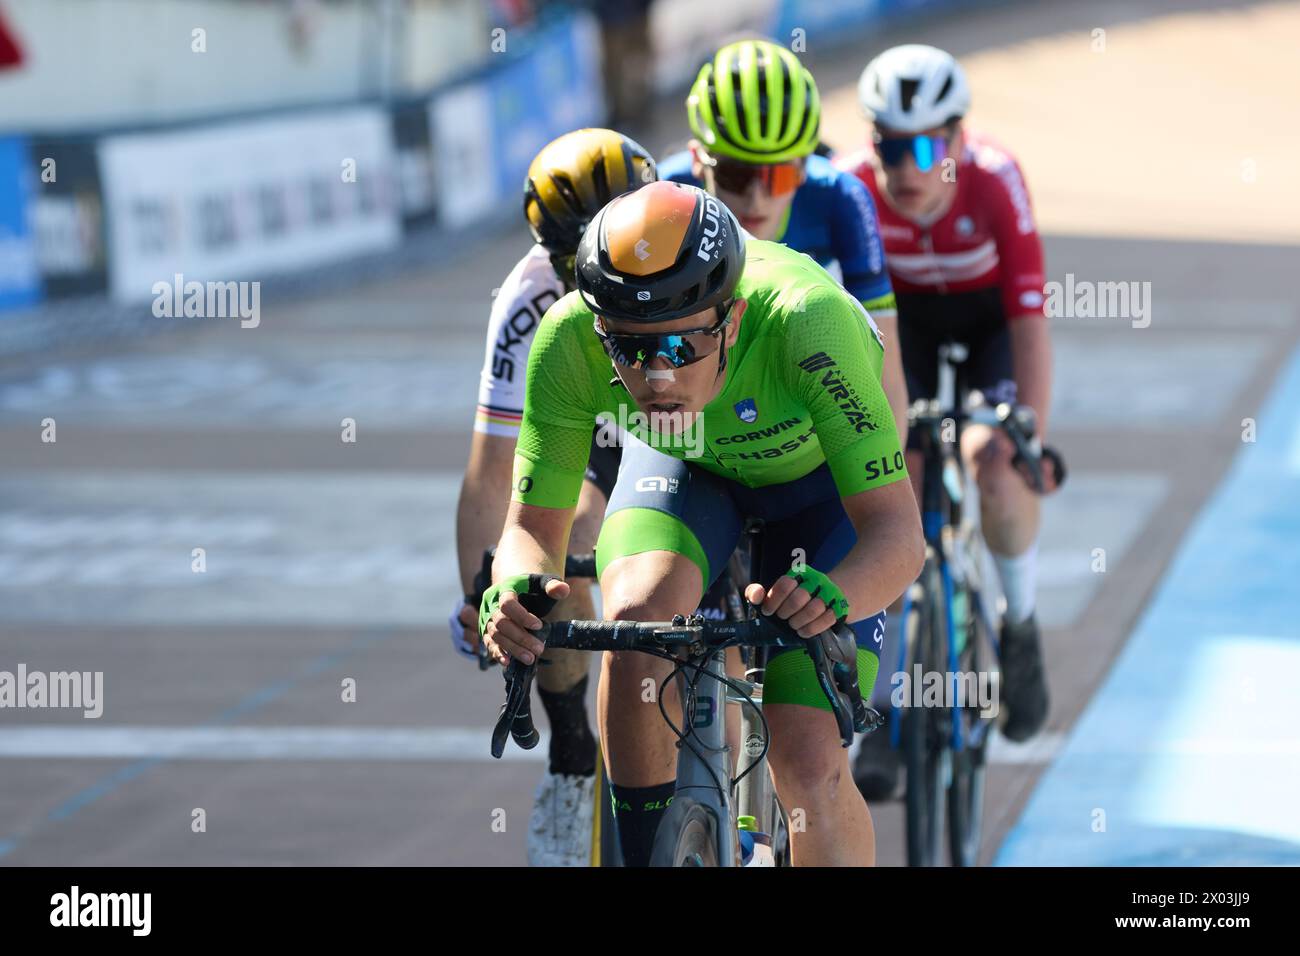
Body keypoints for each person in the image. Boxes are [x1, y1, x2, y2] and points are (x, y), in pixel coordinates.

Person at [478, 181, 924, 865]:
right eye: (628, 350)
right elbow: (532, 531)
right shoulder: (568, 341)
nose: (656, 378)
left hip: (820, 492)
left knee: (806, 762)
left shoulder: (811, 325)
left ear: (734, 320)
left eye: (680, 349)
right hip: (690, 469)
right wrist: (512, 590)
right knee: (634, 626)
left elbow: (898, 536)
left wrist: (835, 597)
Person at [837, 44, 1059, 798]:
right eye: (889, 147)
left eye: (927, 147)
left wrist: (1025, 431)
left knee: (993, 464)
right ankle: (891, 701)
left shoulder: (996, 181)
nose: (906, 168)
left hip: (989, 321)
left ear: (960, 142)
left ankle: (1019, 627)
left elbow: (1029, 322)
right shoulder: (858, 193)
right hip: (910, 333)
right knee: (896, 486)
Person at [452, 128, 657, 865]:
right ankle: (573, 748)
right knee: (557, 544)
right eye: (579, 258)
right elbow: (491, 473)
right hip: (593, 415)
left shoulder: (689, 244)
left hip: (686, 411)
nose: (602, 267)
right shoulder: (529, 300)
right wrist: (481, 590)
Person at [658, 38, 909, 441]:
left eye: (779, 177)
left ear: (806, 167)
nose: (757, 198)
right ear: (696, 158)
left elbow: (886, 363)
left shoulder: (842, 199)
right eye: (736, 176)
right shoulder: (663, 198)